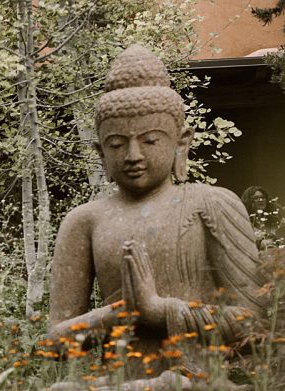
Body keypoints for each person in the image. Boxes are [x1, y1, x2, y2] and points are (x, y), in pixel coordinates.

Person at [48, 45, 263, 361]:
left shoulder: (212, 204)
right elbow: (53, 343)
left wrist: (159, 311)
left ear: (181, 144)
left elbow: (253, 324)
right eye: (118, 144)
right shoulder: (84, 221)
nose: (133, 155)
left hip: (200, 386)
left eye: (150, 141)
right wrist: (118, 314)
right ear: (101, 153)